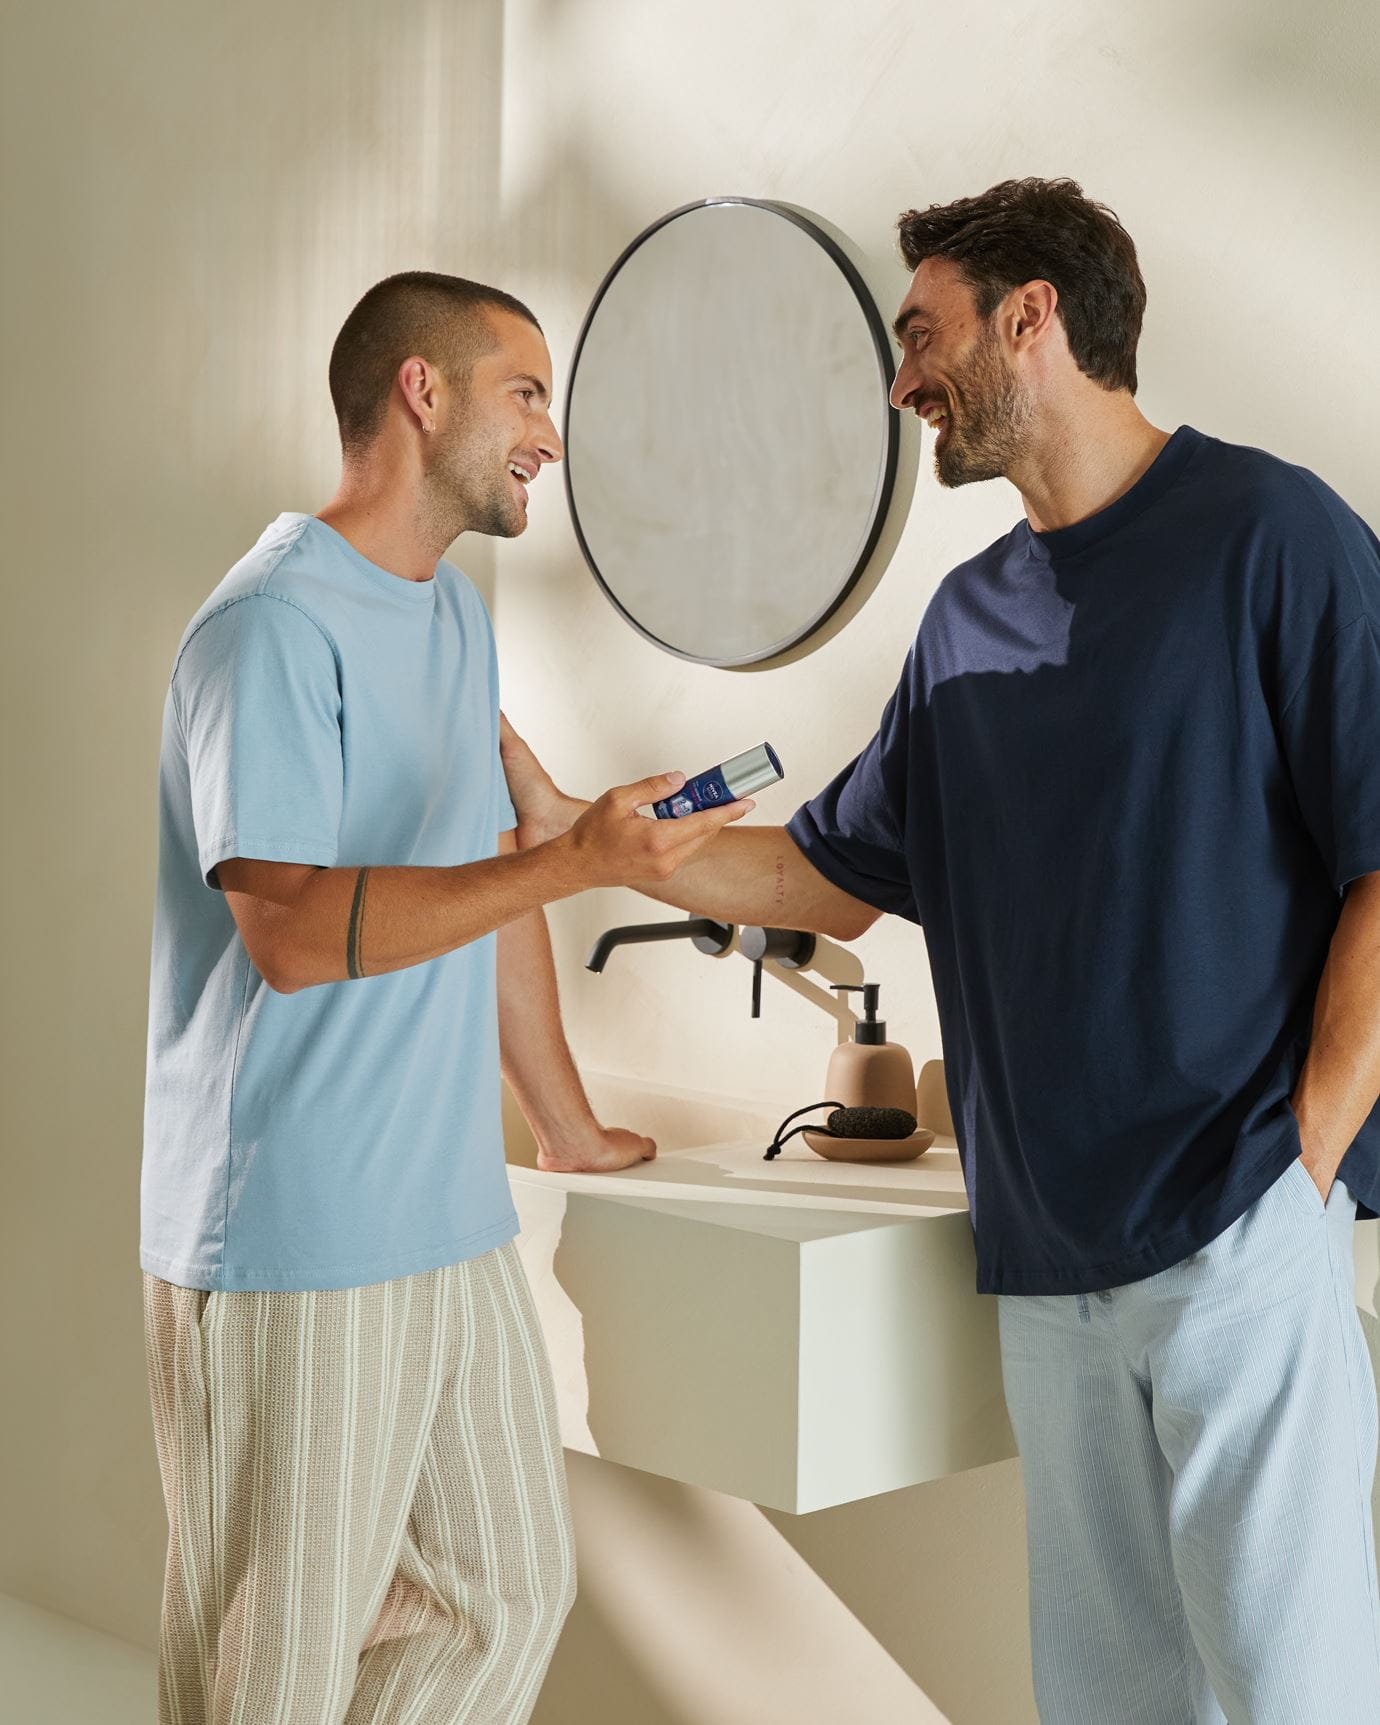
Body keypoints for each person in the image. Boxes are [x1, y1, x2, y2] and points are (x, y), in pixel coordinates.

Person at [500, 179, 1380, 1722]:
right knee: (1107, 1701)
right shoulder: (968, 619)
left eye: (924, 331)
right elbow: (827, 879)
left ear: (1032, 319)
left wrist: (1298, 1161)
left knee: (1292, 1696)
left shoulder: (1272, 534)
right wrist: (586, 830)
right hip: (1045, 1265)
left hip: (1237, 1230)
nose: (900, 378)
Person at [140, 270, 750, 1725]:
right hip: (295, 1222)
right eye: (526, 392)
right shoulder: (271, 628)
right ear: (423, 392)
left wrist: (567, 1123)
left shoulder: (452, 620)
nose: (551, 431)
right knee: (273, 1659)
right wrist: (571, 861)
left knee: (506, 1592)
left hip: (444, 1213)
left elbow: (487, 869)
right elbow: (286, 928)